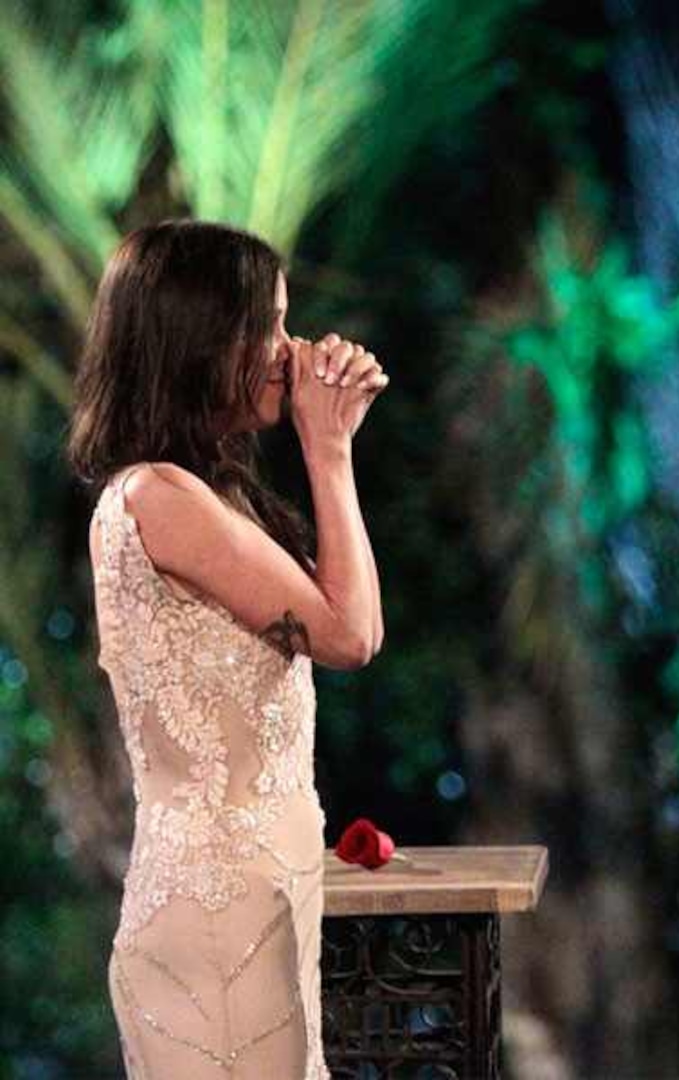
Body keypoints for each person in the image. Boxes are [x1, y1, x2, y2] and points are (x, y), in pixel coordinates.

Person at [68, 219, 388, 1078]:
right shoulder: (160, 499)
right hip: (219, 932)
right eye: (268, 326)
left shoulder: (204, 496)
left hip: (259, 911)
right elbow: (350, 634)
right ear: (202, 339)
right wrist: (329, 451)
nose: (289, 350)